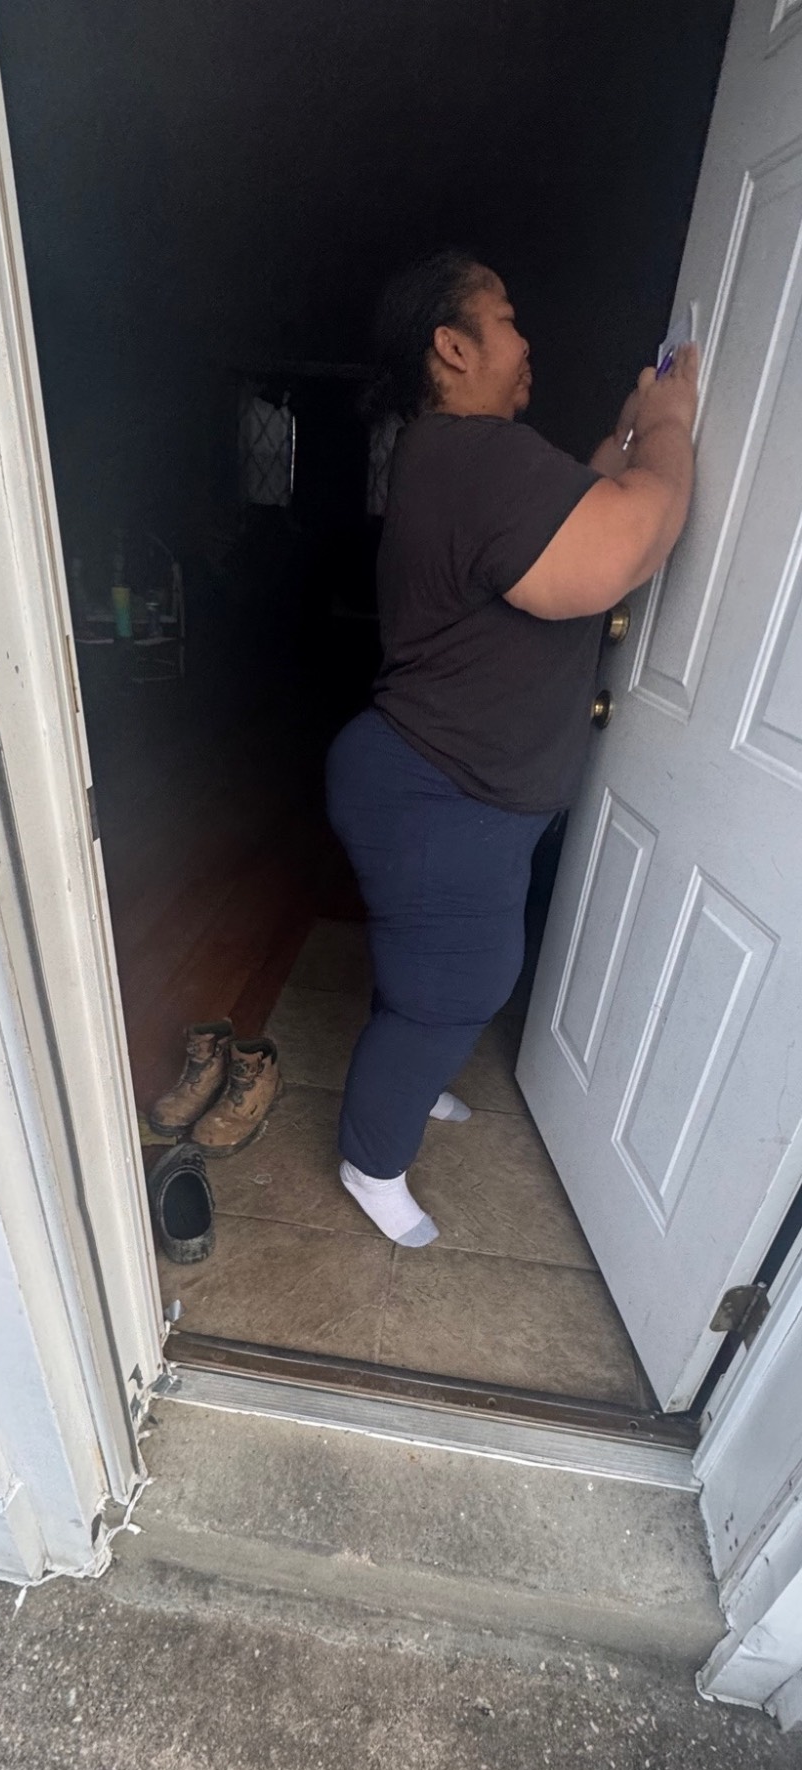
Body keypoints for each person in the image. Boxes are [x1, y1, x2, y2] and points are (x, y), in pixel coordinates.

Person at [328, 251, 697, 1247]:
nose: (526, 340)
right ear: (452, 348)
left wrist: (627, 433)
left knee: (429, 977)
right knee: (454, 987)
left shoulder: (457, 457)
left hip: (439, 783)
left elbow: (576, 506)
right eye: (505, 319)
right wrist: (668, 428)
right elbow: (619, 542)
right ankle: (370, 1160)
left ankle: (411, 1079)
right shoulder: (474, 456)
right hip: (438, 788)